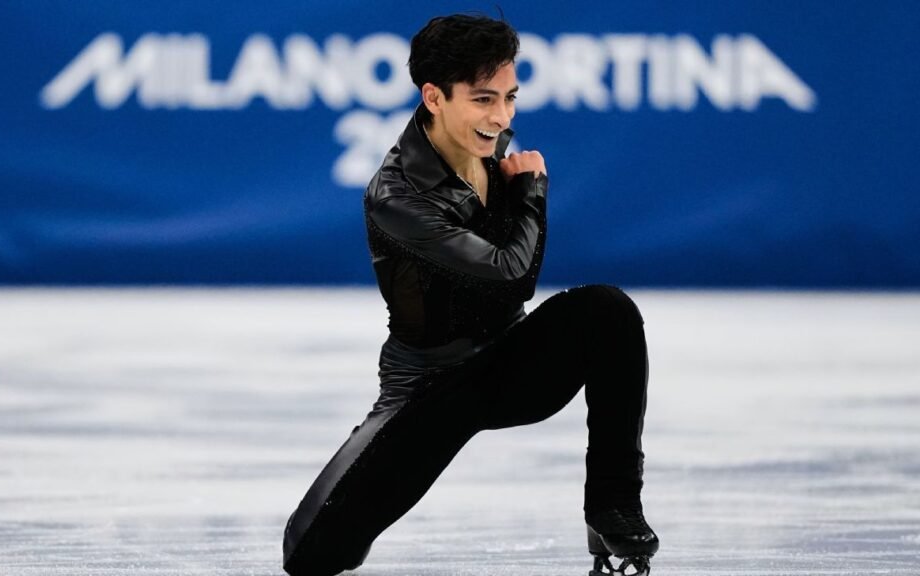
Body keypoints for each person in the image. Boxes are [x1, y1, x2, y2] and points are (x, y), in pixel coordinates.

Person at [282, 12, 658, 576]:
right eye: (484, 100)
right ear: (434, 97)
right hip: (430, 391)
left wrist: (520, 191)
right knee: (311, 555)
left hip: (510, 367)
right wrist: (531, 194)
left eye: (510, 98)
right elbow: (511, 274)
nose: (501, 117)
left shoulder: (494, 146)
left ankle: (613, 506)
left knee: (609, 312)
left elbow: (514, 283)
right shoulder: (395, 196)